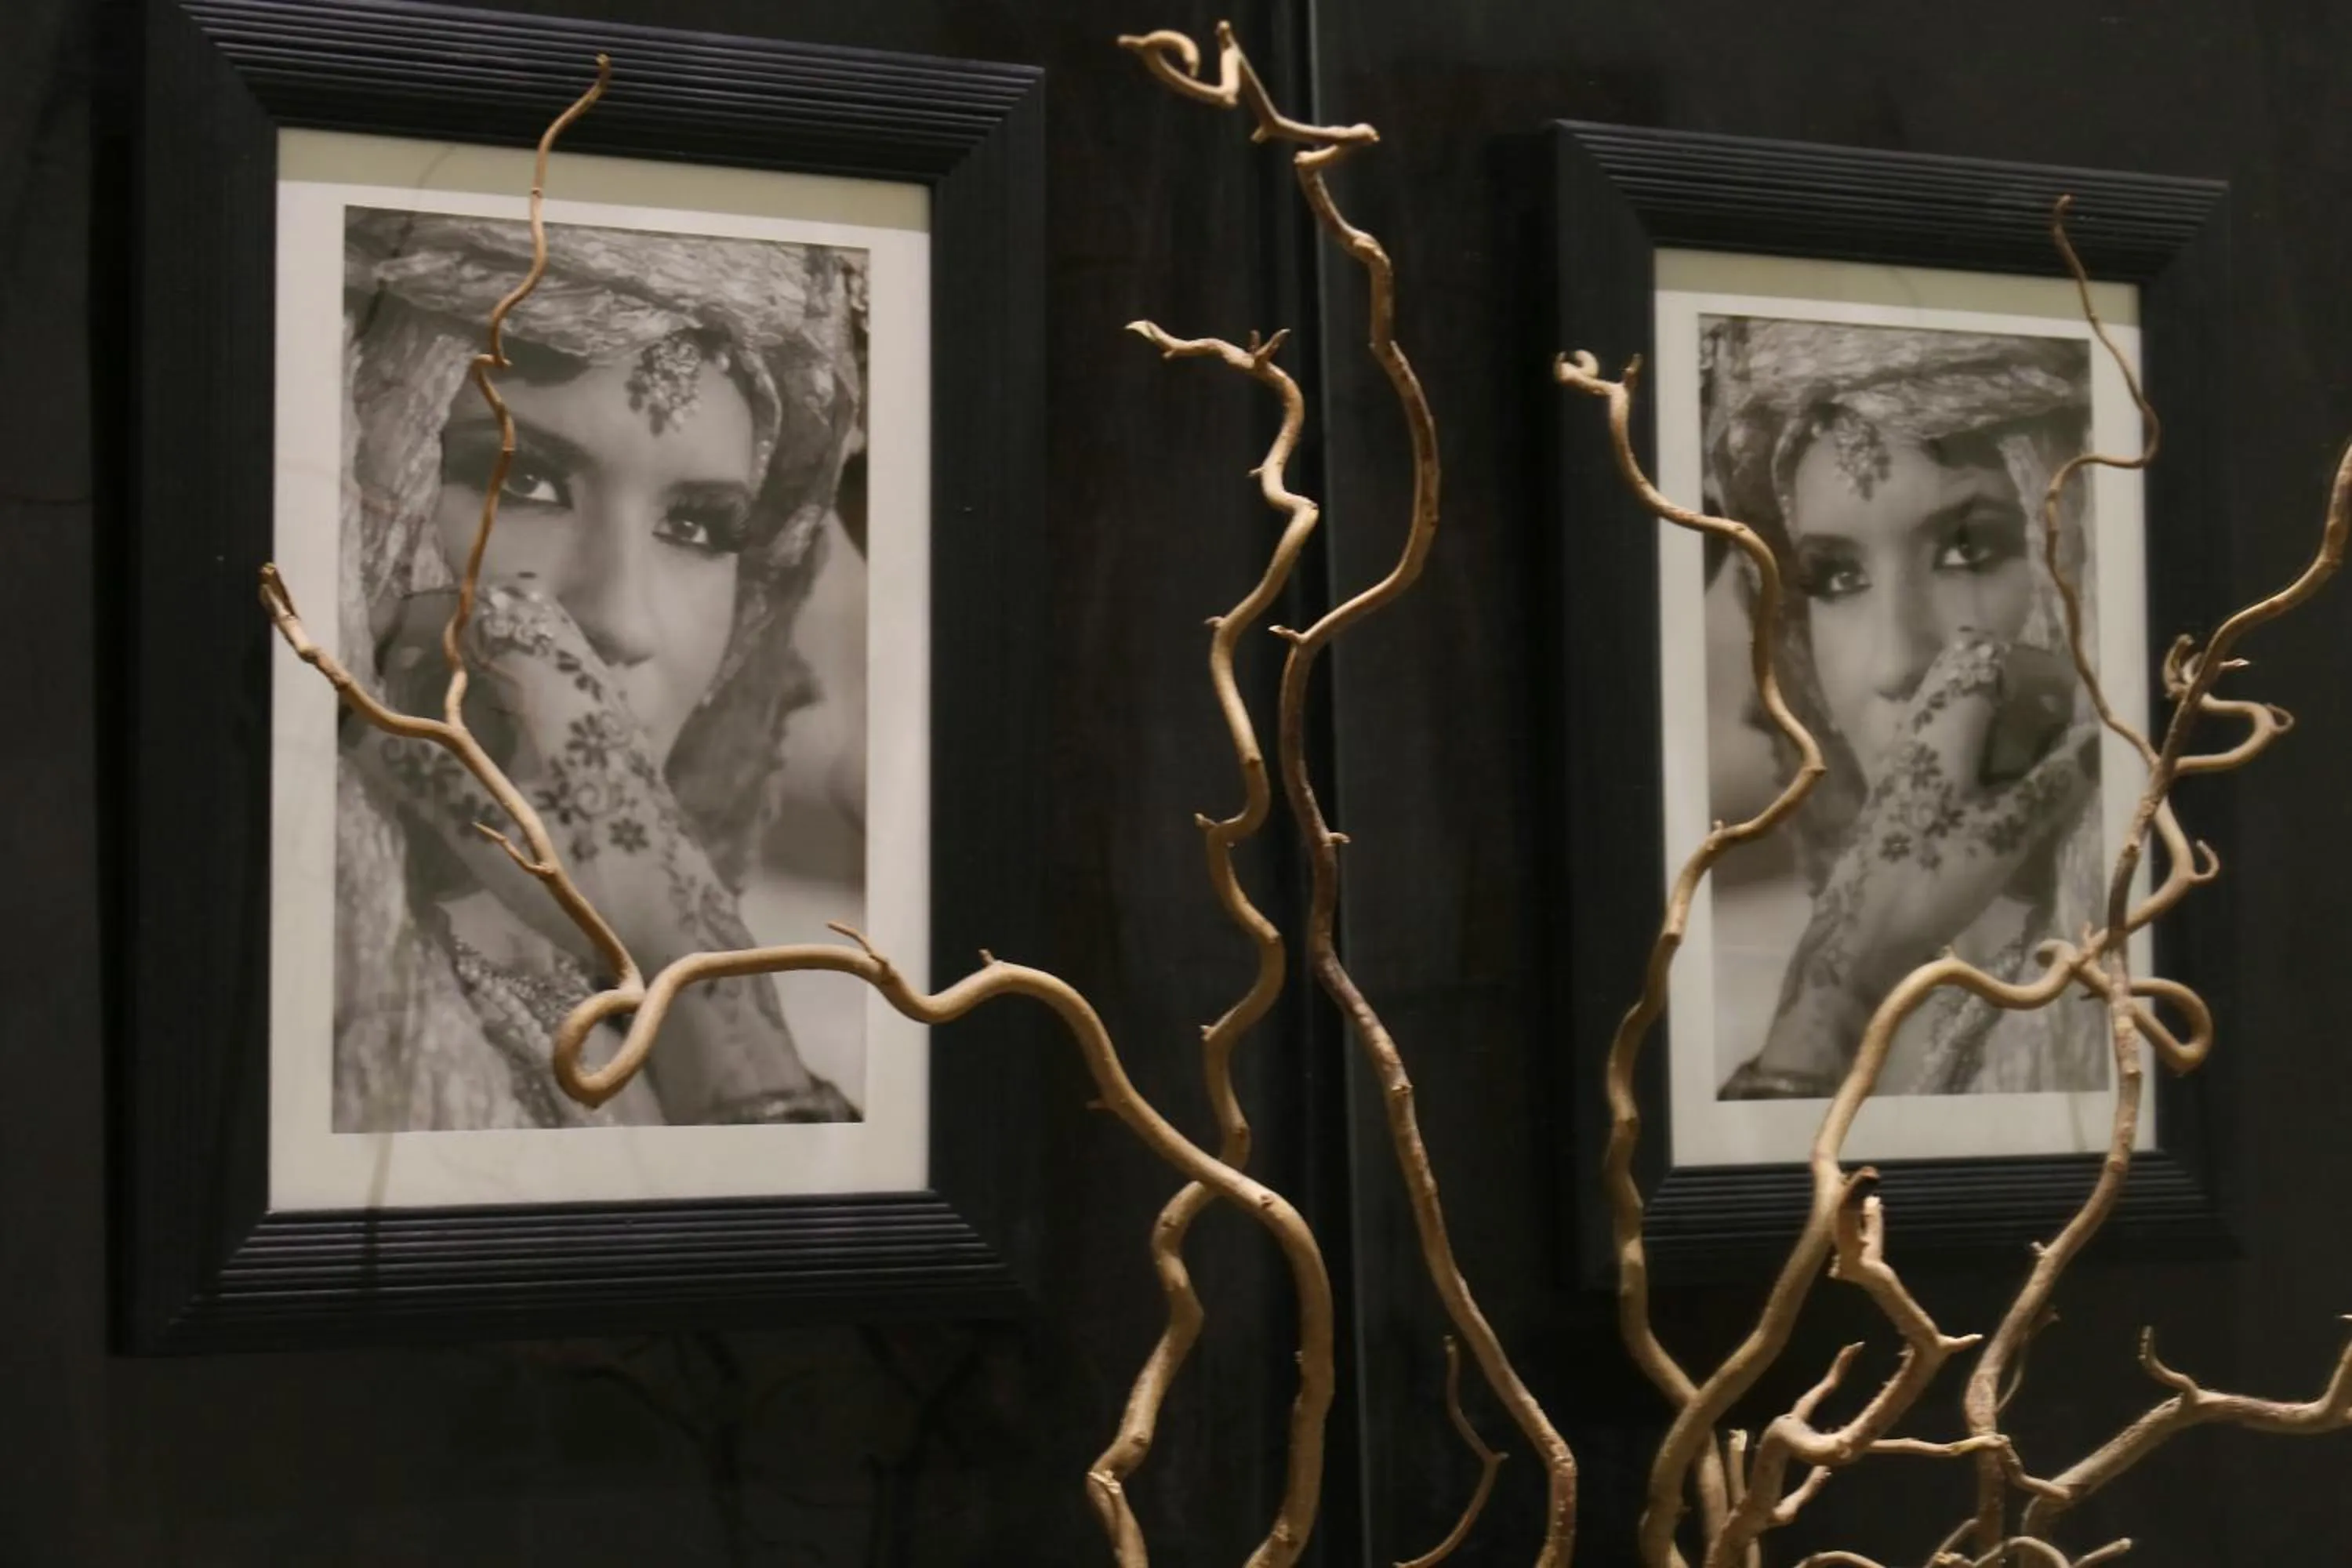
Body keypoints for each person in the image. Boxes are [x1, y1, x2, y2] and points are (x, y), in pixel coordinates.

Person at [332, 208, 867, 1131]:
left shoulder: (842, 1010)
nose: (620, 617)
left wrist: (677, 937)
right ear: (372, 470)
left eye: (696, 526)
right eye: (522, 479)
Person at [1700, 318, 2110, 1100]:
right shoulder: (1749, 996)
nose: (1895, 664)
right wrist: (1836, 989)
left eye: (1969, 548)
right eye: (1836, 576)